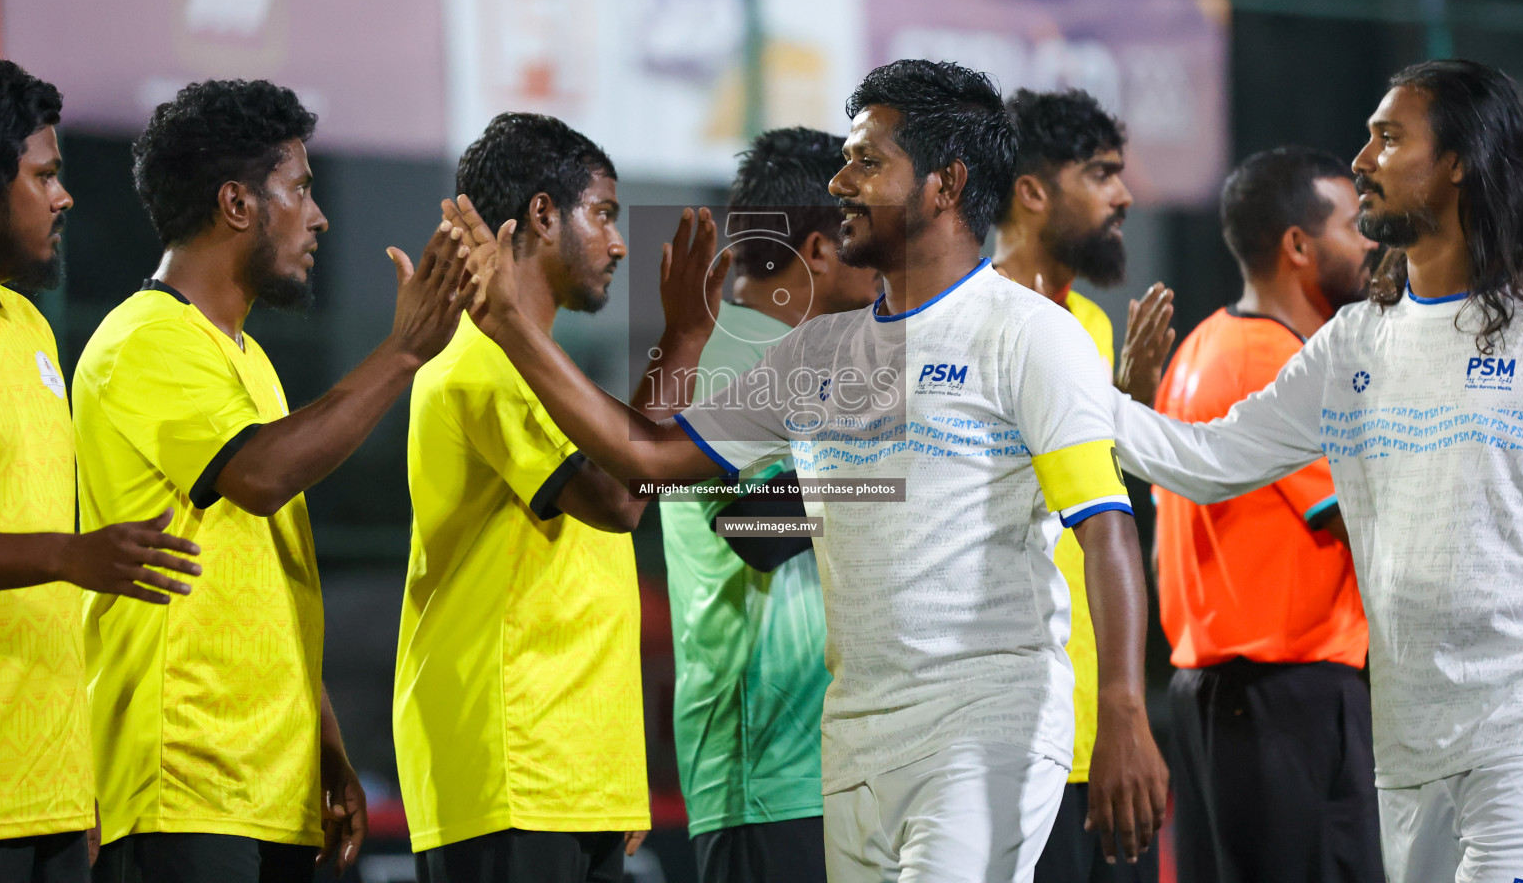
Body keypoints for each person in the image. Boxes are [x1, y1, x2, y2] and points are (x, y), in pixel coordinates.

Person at [445, 59, 1168, 880]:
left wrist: (1123, 711)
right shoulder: (810, 352)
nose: (843, 179)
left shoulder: (1029, 334)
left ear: (945, 184)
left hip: (983, 725)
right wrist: (514, 328)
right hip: (835, 743)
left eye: (866, 161)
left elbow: (1109, 526)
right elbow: (668, 476)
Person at [1108, 59, 1523, 877]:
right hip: (1404, 749)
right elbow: (1211, 458)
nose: (1363, 161)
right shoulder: (1353, 344)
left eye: (1388, 138)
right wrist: (1077, 402)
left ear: (1457, 162)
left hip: (1515, 743)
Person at [73, 79, 466, 883]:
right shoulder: (142, 341)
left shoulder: (249, 362)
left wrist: (321, 741)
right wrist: (402, 353)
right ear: (238, 204)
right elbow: (256, 477)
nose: (318, 217)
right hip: (182, 779)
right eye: (301, 190)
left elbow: (265, 582)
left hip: (265, 783)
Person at [397, 113, 715, 883]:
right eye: (603, 213)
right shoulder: (479, 364)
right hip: (511, 776)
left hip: (570, 779)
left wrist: (612, 776)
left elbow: (621, 466)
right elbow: (621, 496)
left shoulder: (542, 373)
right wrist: (684, 341)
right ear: (543, 214)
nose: (618, 241)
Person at [638, 127, 881, 883]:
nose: (883, 265)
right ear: (818, 249)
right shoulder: (727, 348)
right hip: (766, 776)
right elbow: (758, 530)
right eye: (864, 237)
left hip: (827, 766)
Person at [1136, 148, 1382, 882]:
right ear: (1299, 246)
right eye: (1356, 225)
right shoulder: (1277, 364)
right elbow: (1363, 521)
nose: (1372, 242)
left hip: (1224, 699)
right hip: (1288, 699)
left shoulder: (1200, 348)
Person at [0, 61, 203, 883]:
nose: (64, 196)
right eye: (44, 175)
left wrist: (76, 787)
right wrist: (66, 555)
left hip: (51, 794)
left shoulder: (33, 332)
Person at [997, 88, 1161, 882]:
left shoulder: (1091, 327)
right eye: (1101, 174)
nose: (1123, 195)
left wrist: (1130, 412)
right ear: (1031, 191)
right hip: (1014, 733)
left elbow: (1088, 506)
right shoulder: (969, 320)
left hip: (1104, 720)